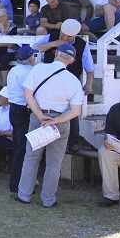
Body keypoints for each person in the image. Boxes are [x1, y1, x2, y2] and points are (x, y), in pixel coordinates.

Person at [13, 44, 83, 208]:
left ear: (57, 53)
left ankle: (24, 195)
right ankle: (48, 199)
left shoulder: (38, 69)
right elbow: (76, 110)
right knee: (54, 163)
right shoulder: (74, 81)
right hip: (60, 121)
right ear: (71, 61)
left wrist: (39, 114)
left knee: (31, 158)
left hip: (39, 117)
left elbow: (27, 94)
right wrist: (56, 121)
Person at [33, 18, 94, 152]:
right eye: (63, 34)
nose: (65, 37)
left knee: (72, 111)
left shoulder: (82, 44)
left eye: (69, 36)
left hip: (70, 81)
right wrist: (54, 43)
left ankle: (73, 142)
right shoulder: (52, 37)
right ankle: (42, 139)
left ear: (75, 35)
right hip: (49, 80)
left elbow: (90, 67)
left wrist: (89, 84)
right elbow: (34, 49)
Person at [7, 45, 38, 193]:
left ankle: (17, 180)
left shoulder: (14, 70)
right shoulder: (30, 72)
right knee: (23, 147)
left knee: (19, 144)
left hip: (14, 108)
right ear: (31, 58)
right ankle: (17, 183)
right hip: (23, 109)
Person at [97, 89, 120, 207]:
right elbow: (109, 133)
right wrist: (108, 141)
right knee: (104, 151)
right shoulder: (116, 109)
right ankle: (111, 196)